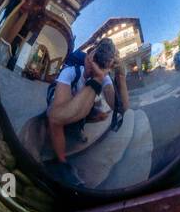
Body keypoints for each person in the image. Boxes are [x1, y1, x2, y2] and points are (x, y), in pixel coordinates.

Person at [46, 38, 130, 170]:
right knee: (55, 122)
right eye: (94, 57)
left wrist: (121, 77)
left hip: (79, 106)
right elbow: (56, 117)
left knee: (102, 115)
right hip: (64, 103)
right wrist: (97, 79)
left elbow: (122, 109)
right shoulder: (71, 72)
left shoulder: (104, 76)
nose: (95, 63)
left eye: (101, 61)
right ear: (87, 56)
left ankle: (77, 127)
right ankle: (62, 161)